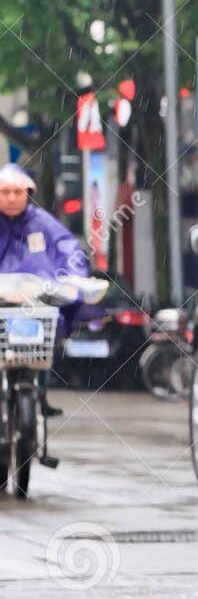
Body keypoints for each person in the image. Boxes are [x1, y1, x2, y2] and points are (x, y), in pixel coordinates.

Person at [0, 163, 90, 416]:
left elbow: (69, 250)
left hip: (36, 300)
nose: (11, 198)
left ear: (28, 193)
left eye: (17, 192)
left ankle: (41, 390)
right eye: (4, 192)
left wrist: (74, 277)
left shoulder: (43, 224)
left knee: (47, 333)